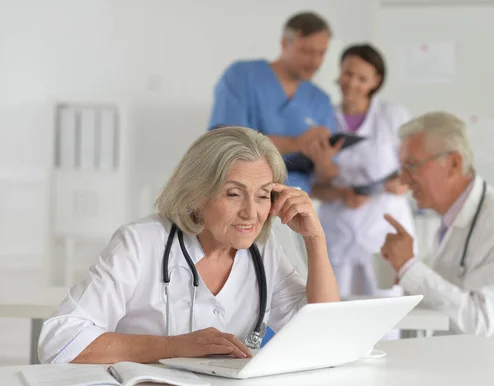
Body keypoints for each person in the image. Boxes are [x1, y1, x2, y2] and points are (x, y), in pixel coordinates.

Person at [38, 126, 340, 364]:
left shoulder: (262, 250)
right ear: (197, 194)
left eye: (262, 195)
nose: (251, 212)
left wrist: (315, 241)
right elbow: (59, 341)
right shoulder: (141, 243)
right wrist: (172, 347)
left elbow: (322, 335)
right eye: (234, 194)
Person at [380, 111, 494, 345]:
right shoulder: (452, 218)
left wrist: (409, 267)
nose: (403, 179)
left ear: (453, 163)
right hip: (471, 360)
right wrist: (402, 270)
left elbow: (478, 323)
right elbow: (445, 298)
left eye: (411, 166)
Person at [311, 44, 417, 297]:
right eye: (348, 74)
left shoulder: (394, 116)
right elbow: (312, 185)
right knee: (336, 311)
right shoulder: (322, 118)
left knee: (386, 314)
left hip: (383, 229)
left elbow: (415, 167)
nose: (352, 83)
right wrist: (341, 194)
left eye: (362, 78)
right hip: (339, 230)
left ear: (376, 81)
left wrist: (403, 182)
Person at [208, 11, 341, 193]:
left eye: (321, 53)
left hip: (294, 201)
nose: (315, 61)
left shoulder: (321, 100)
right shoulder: (241, 76)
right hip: (243, 192)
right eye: (307, 51)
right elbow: (227, 142)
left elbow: (327, 174)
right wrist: (298, 143)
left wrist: (323, 162)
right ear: (285, 43)